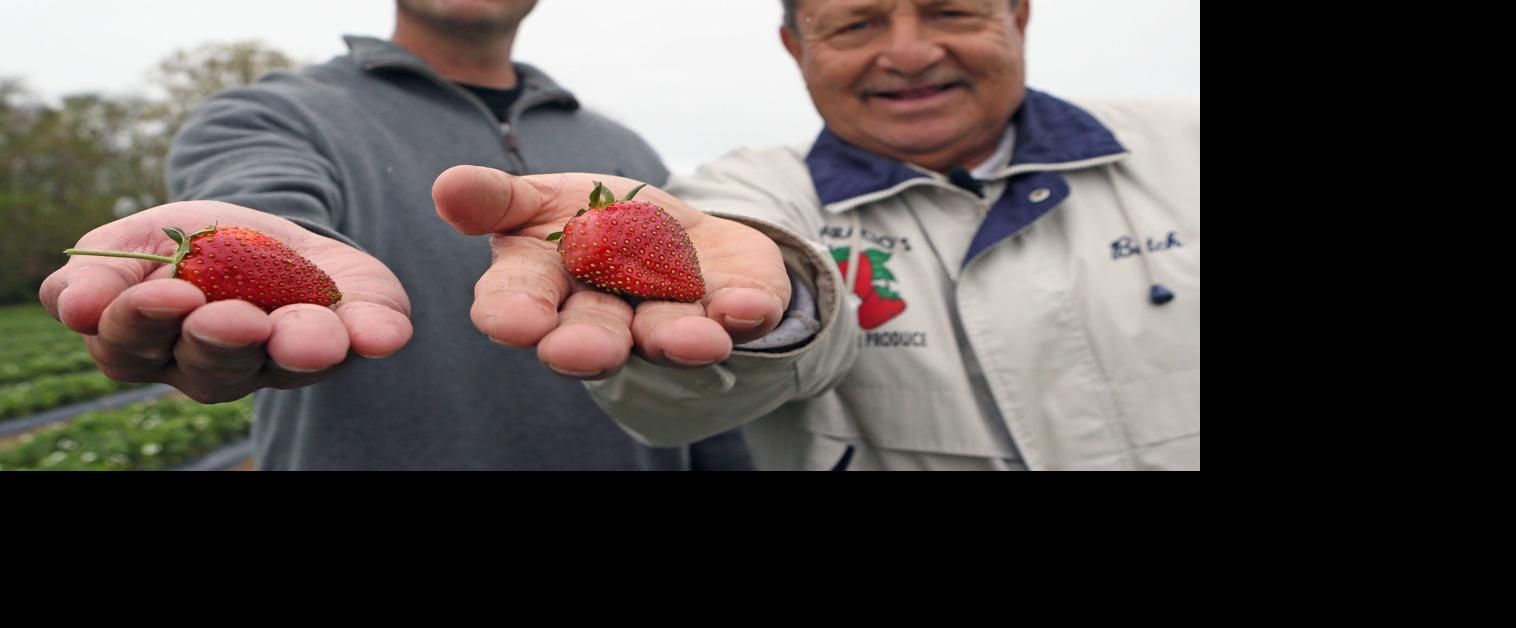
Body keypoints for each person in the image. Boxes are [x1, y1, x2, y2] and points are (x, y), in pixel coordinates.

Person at [432, 0, 1199, 470]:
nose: (908, 52)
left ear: (1017, 15)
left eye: (950, 11)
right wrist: (777, 300)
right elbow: (673, 403)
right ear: (797, 47)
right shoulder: (751, 191)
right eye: (857, 22)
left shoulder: (1183, 144)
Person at [38, 0, 753, 471]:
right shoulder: (270, 114)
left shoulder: (620, 144)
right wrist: (260, 244)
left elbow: (700, 359)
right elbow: (263, 202)